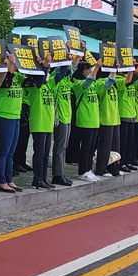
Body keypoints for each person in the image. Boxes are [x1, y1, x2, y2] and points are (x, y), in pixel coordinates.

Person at [0, 52, 23, 192]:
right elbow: (5, 83)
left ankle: (9, 179)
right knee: (4, 151)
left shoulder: (17, 76)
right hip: (2, 115)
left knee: (11, 151)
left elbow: (33, 81)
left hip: (15, 115)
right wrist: (10, 64)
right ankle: (1, 180)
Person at [25, 52, 59, 189]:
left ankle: (43, 178)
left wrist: (67, 57)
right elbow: (39, 80)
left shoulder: (49, 85)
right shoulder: (34, 86)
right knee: (39, 153)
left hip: (48, 123)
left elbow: (62, 73)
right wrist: (44, 64)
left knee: (45, 154)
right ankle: (37, 179)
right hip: (38, 123)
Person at [72, 57, 103, 181]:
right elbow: (88, 81)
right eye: (87, 68)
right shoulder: (77, 84)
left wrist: (113, 70)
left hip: (94, 120)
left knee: (91, 148)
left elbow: (108, 83)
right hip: (85, 120)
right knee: (85, 148)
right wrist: (97, 67)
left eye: (90, 68)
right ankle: (82, 171)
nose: (90, 70)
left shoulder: (94, 85)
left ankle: (89, 169)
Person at [52, 49, 76, 186]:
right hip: (60, 117)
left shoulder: (67, 80)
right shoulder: (57, 80)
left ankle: (61, 173)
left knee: (64, 147)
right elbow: (65, 68)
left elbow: (73, 66)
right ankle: (57, 174)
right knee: (59, 147)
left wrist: (72, 50)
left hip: (67, 117)